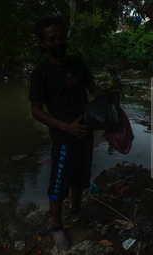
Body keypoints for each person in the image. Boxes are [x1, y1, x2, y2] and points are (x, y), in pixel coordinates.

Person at [28, 16, 101, 251]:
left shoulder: (77, 63)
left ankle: (76, 209)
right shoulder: (41, 73)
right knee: (58, 183)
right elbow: (36, 111)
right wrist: (65, 126)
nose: (58, 41)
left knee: (81, 176)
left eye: (60, 36)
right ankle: (57, 227)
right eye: (51, 39)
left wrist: (107, 98)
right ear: (43, 43)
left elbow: (93, 89)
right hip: (63, 137)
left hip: (85, 132)